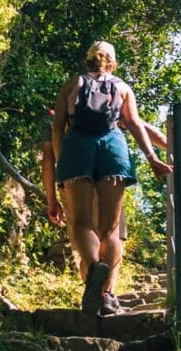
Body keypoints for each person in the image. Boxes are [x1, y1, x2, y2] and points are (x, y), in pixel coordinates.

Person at [52, 41, 172, 316]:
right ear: (113, 62)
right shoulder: (122, 87)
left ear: (88, 60)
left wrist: (63, 162)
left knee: (82, 222)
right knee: (110, 229)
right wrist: (152, 158)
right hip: (113, 149)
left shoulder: (72, 84)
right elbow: (134, 124)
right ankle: (106, 294)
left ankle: (94, 268)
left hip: (77, 148)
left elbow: (58, 127)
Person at [41, 107, 167, 298]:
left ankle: (93, 294)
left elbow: (48, 161)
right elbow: (138, 124)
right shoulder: (107, 104)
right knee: (111, 236)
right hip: (108, 174)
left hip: (71, 181)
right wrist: (174, 147)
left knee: (86, 243)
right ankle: (106, 295)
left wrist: (51, 199)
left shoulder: (57, 117)